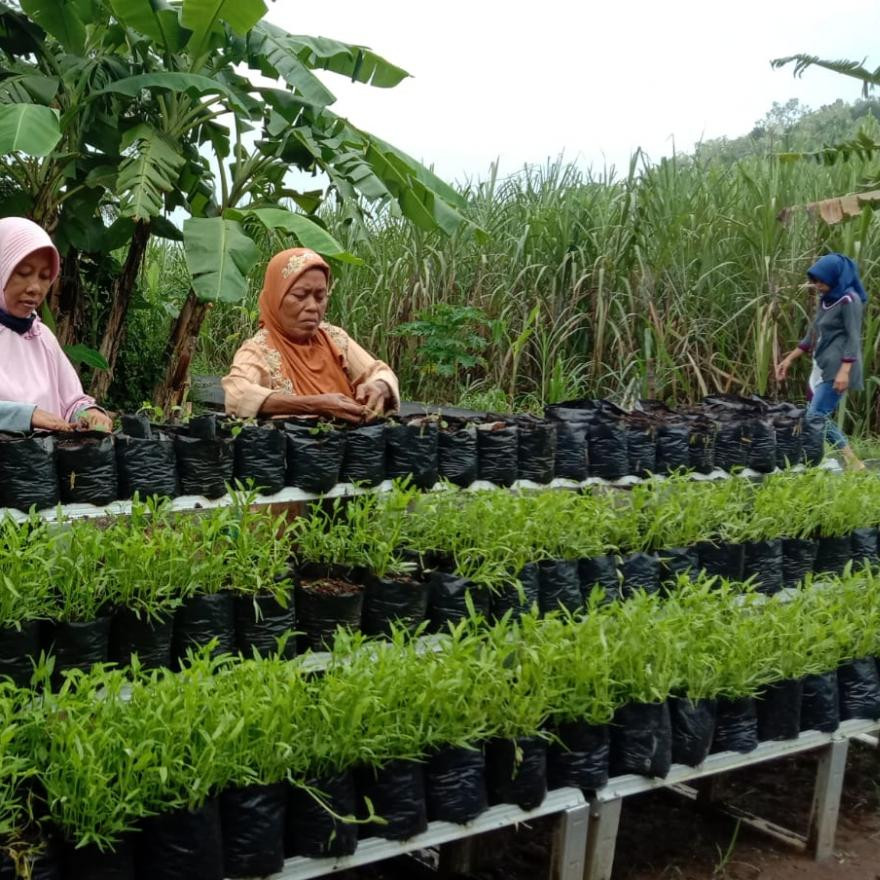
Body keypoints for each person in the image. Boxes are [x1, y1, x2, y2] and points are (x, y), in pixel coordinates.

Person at [223, 248, 399, 422]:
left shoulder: (335, 339)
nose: (313, 307)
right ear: (276, 298)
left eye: (320, 297)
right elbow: (237, 395)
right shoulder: (259, 350)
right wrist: (312, 405)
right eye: (300, 296)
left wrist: (380, 386)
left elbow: (378, 371)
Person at [0, 217, 111, 433]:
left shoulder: (41, 337)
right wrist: (26, 415)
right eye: (23, 273)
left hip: (42, 463)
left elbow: (71, 402)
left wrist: (88, 413)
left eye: (44, 277)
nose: (35, 288)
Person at [775, 252, 866, 470]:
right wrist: (788, 359)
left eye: (821, 280)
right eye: (814, 280)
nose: (817, 285)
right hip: (822, 364)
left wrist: (845, 371)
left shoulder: (849, 300)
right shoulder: (826, 299)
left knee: (816, 416)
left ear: (835, 277)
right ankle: (842, 460)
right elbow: (813, 334)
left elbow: (854, 337)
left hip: (839, 367)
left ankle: (853, 462)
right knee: (815, 415)